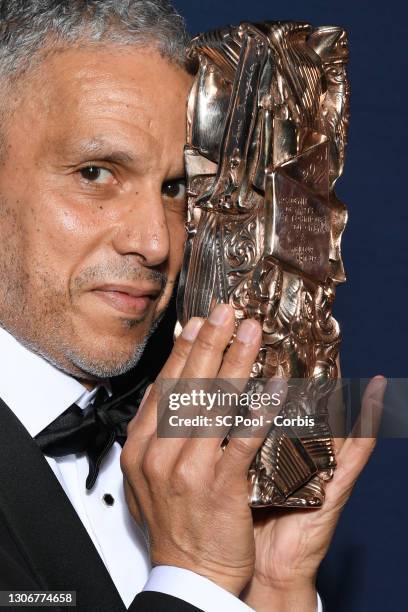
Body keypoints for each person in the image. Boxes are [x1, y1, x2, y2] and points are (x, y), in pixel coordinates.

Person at [0, 1, 386, 611]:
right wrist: (197, 577)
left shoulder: (196, 445)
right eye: (96, 173)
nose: (156, 242)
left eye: (177, 188)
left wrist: (273, 588)